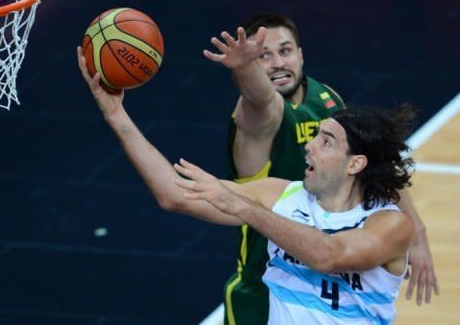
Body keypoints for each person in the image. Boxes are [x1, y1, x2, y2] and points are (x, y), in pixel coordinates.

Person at [77, 48, 414, 323]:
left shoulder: (389, 224)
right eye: (314, 136)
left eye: (326, 142)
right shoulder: (280, 194)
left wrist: (243, 206)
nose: (309, 145)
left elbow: (328, 255)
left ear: (355, 163)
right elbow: (174, 195)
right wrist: (116, 115)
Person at [203, 13, 438, 323]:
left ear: (301, 54)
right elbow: (259, 96)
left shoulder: (326, 99)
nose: (277, 63)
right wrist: (245, 67)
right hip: (265, 284)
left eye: (284, 51)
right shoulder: (262, 113)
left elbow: (374, 158)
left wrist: (417, 232)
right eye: (263, 56)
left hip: (325, 277)